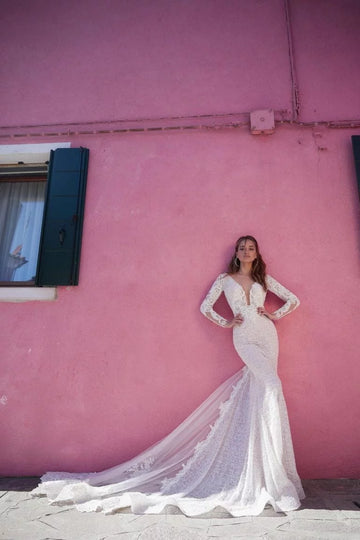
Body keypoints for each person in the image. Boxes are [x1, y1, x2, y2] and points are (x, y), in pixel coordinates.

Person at [32, 235, 305, 516]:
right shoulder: (225, 279)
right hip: (244, 337)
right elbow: (205, 307)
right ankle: (269, 467)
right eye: (242, 248)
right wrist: (226, 322)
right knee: (272, 385)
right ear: (236, 253)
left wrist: (273, 314)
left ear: (256, 254)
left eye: (251, 248)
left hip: (267, 336)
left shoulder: (264, 279)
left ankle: (266, 467)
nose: (247, 252)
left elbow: (293, 300)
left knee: (263, 389)